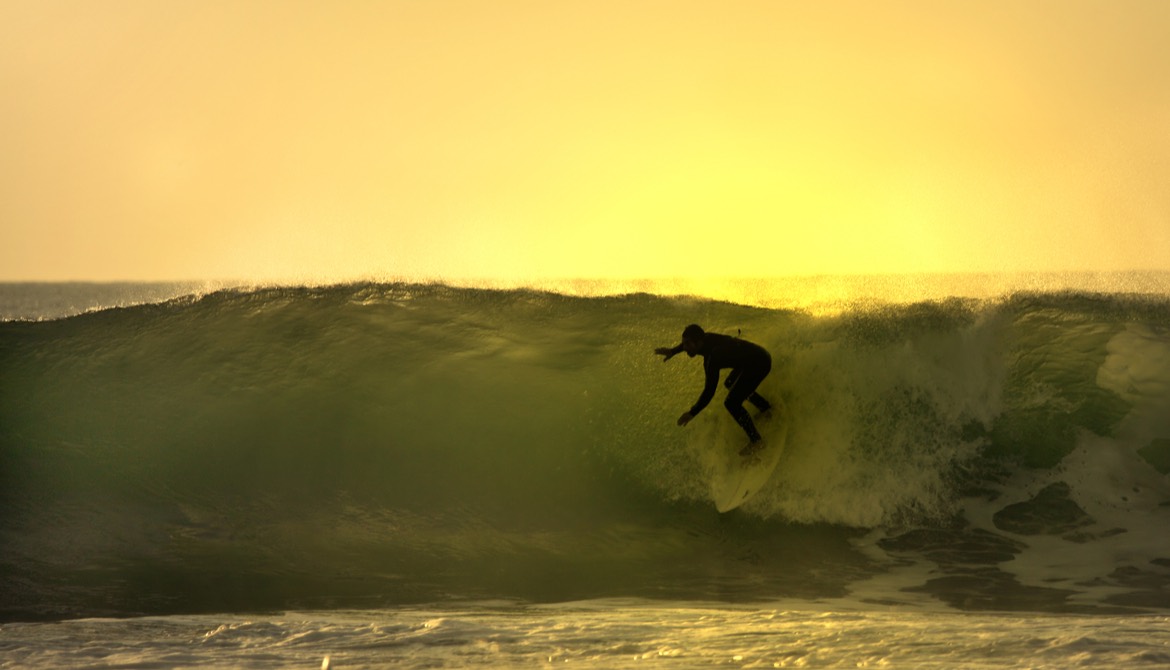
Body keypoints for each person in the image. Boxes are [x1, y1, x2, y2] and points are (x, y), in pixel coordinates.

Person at [656, 324, 773, 455]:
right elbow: (690, 343)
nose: (684, 348)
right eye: (683, 344)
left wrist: (693, 412)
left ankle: (757, 441)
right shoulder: (706, 339)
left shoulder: (713, 357)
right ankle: (765, 409)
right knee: (730, 383)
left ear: (698, 342)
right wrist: (673, 351)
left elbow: (709, 391)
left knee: (731, 403)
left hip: (759, 363)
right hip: (753, 359)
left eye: (687, 345)